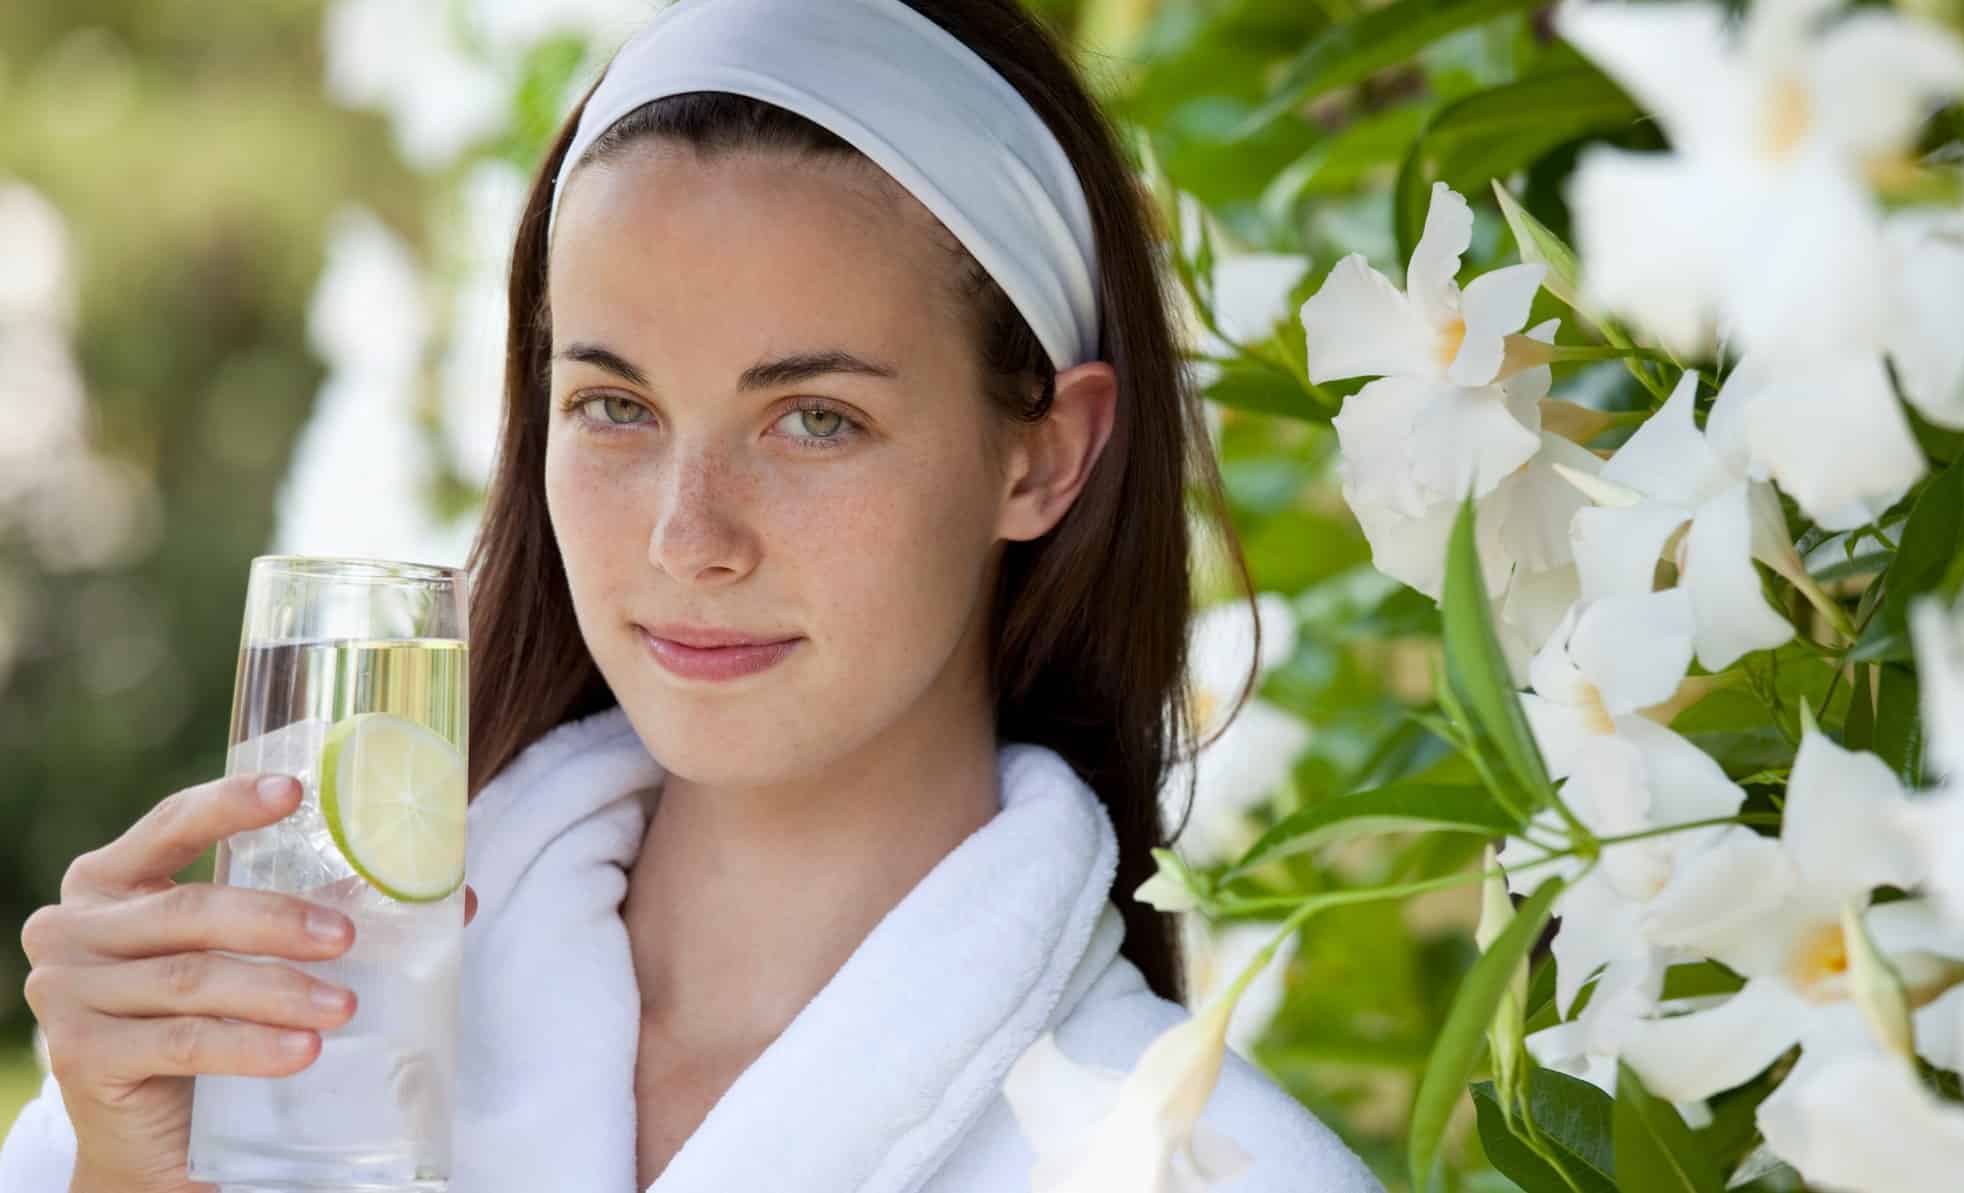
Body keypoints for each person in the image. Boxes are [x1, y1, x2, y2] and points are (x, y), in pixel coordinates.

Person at [4, 1, 1386, 1189]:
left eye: (814, 420)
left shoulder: (1205, 1166)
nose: (689, 535)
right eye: (614, 406)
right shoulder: (274, 1073)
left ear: (1044, 455)